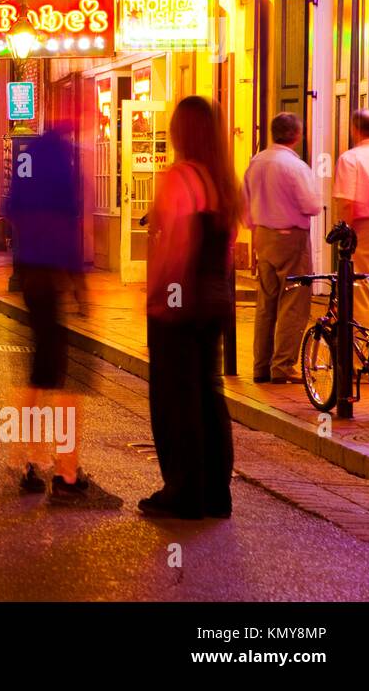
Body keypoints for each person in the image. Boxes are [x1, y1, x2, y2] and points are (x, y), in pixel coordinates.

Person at [6, 124, 118, 506]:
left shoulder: (29, 159)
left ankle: (27, 458)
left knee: (42, 370)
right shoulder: (63, 164)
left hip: (31, 275)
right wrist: (80, 287)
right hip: (53, 275)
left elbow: (11, 209)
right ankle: (64, 470)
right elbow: (68, 225)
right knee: (68, 377)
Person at [142, 96, 237, 520]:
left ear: (182, 132)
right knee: (208, 392)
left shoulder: (180, 177)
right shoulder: (222, 182)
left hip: (180, 300)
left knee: (175, 396)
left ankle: (183, 489)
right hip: (214, 300)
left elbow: (176, 247)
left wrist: (163, 296)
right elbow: (228, 250)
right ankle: (216, 492)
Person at [242, 113, 322, 383]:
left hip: (262, 235)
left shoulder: (256, 162)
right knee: (293, 301)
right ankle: (283, 365)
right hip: (291, 237)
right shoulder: (295, 166)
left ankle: (260, 366)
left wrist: (254, 226)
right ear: (297, 135)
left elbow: (245, 202)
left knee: (266, 301)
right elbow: (311, 205)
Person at [334, 109, 369, 331]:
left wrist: (344, 232)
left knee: (361, 289)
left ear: (355, 130)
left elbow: (346, 203)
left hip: (366, 230)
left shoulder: (351, 158)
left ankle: (358, 358)